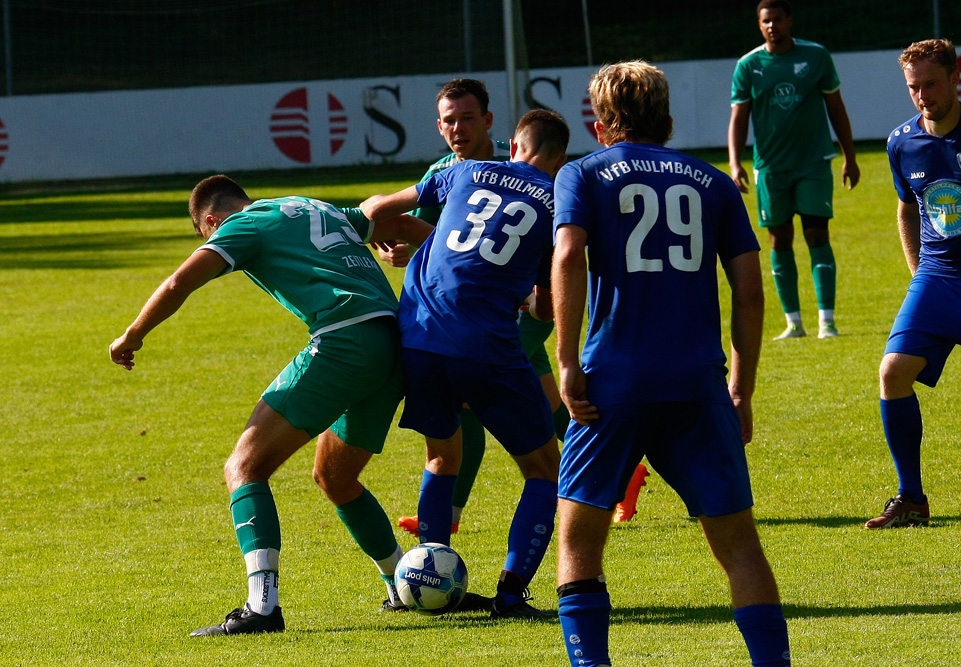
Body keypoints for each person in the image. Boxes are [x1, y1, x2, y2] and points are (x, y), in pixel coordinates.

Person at [109, 175, 432, 634]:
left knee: (244, 468)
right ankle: (405, 584)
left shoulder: (243, 226)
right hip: (393, 345)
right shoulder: (308, 205)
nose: (215, 240)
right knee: (336, 478)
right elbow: (397, 223)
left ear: (212, 221)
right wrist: (447, 250)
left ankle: (262, 607)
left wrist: (132, 335)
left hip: (345, 342)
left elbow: (180, 281)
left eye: (210, 234)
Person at [553, 61, 791, 666]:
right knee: (739, 545)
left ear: (602, 123)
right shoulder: (712, 182)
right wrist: (740, 388)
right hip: (697, 382)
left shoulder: (582, 174)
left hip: (613, 380)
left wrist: (565, 359)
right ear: (667, 118)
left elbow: (568, 256)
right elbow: (750, 290)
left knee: (580, 539)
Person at [362, 109, 570, 619]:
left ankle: (430, 578)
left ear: (514, 146)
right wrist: (525, 295)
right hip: (488, 346)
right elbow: (546, 308)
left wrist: (421, 244)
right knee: (545, 471)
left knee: (441, 457)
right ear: (558, 157)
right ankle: (511, 593)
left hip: (422, 338)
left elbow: (375, 209)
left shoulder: (462, 171)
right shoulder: (558, 202)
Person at [381, 79, 596, 539]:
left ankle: (444, 528)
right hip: (489, 315)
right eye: (449, 120)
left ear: (493, 125)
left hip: (464, 320)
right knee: (519, 425)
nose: (458, 127)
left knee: (465, 421)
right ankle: (598, 461)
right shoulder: (450, 168)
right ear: (439, 125)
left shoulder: (483, 166)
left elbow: (394, 215)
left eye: (467, 118)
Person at [866, 39, 961, 529]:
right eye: (913, 87)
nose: (923, 95)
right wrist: (917, 271)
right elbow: (907, 208)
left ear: (954, 80)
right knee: (893, 372)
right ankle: (911, 499)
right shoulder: (901, 142)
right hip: (938, 279)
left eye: (931, 84)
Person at [728, 0, 860, 340]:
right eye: (765, 21)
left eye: (777, 20)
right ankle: (793, 323)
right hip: (770, 167)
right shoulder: (749, 65)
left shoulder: (816, 56)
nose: (772, 26)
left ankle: (826, 321)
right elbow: (739, 119)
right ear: (759, 25)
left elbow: (837, 108)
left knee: (817, 234)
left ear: (789, 21)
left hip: (813, 163)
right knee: (779, 239)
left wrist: (850, 156)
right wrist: (734, 161)